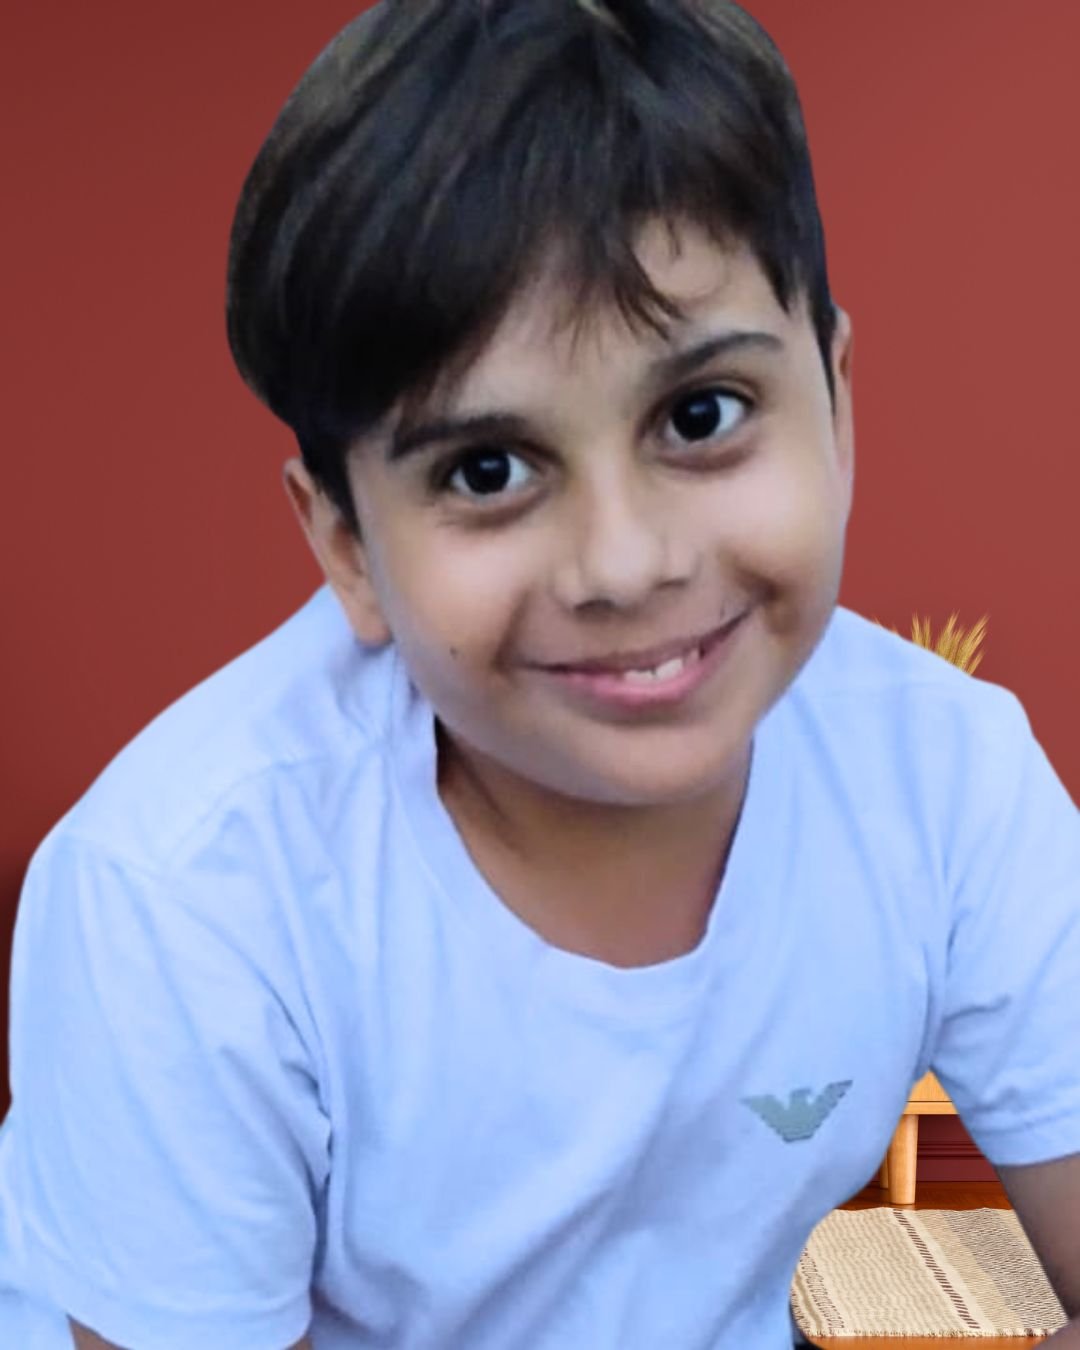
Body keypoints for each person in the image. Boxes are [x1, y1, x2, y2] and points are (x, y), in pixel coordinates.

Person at [2, 1, 1078, 1347]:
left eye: (701, 415)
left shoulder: (949, 776)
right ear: (346, 547)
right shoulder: (185, 901)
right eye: (487, 470)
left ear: (838, 402)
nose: (624, 563)